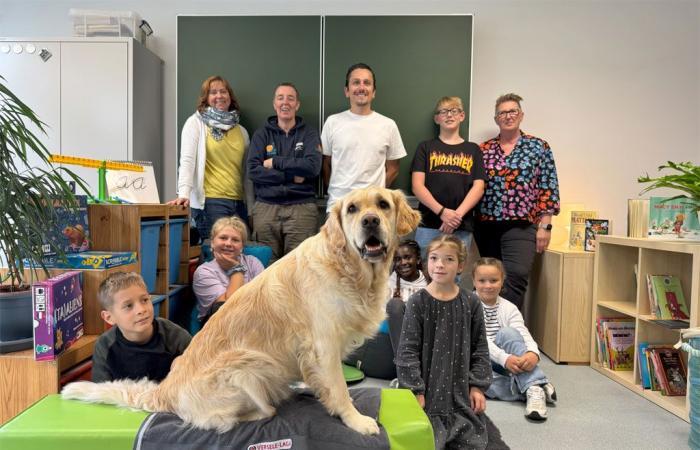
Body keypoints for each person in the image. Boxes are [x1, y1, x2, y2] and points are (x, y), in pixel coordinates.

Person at [395, 234, 492, 450]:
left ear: (460, 266)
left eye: (449, 259)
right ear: (426, 261)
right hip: (427, 393)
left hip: (459, 394)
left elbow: (480, 348)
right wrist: (415, 390)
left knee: (473, 441)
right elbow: (407, 351)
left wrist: (477, 386)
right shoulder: (417, 302)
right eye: (434, 258)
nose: (440, 265)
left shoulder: (471, 302)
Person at [474, 93, 560, 310]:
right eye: (502, 112)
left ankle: (509, 330)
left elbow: (547, 187)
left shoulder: (538, 147)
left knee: (517, 276)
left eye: (513, 111)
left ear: (521, 115)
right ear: (496, 119)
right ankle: (489, 331)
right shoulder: (483, 150)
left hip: (522, 225)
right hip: (486, 225)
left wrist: (545, 226)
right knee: (490, 280)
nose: (508, 116)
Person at [472, 257, 557, 421]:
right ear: (474, 282)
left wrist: (533, 353)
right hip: (481, 363)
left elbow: (522, 333)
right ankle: (536, 385)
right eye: (482, 281)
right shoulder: (467, 304)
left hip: (510, 364)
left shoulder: (509, 307)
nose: (488, 285)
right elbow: (478, 341)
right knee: (476, 385)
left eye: (494, 280)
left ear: (502, 281)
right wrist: (505, 359)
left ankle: (533, 386)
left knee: (508, 333)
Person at [246, 82, 322, 263]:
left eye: (290, 98)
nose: (285, 102)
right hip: (266, 208)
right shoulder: (261, 134)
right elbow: (253, 171)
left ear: (297, 105)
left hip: (301, 208)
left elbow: (313, 167)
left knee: (300, 267)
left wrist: (275, 162)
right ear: (274, 104)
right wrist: (289, 175)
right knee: (265, 267)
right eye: (280, 98)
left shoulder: (309, 134)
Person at [169, 75, 250, 242]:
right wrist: (184, 193)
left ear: (230, 96)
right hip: (210, 202)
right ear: (206, 98)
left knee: (239, 256)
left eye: (223, 91)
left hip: (238, 203)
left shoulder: (242, 131)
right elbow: (187, 161)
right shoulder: (196, 123)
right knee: (217, 256)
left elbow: (247, 173)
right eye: (213, 92)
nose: (219, 96)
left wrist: (251, 206)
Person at [321, 62, 406, 211]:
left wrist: (374, 193)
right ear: (347, 91)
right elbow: (326, 164)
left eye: (367, 83)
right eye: (356, 83)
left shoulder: (388, 125)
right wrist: (338, 191)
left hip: (374, 211)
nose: (361, 87)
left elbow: (393, 168)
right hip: (339, 208)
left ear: (373, 92)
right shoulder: (332, 122)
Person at [411, 96, 486, 255]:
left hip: (461, 225)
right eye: (443, 112)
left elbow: (479, 188)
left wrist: (456, 217)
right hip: (429, 224)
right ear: (436, 119)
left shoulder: (473, 150)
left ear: (462, 116)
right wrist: (443, 212)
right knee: (425, 275)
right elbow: (417, 186)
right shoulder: (425, 147)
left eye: (454, 110)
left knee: (454, 277)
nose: (449, 115)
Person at [92, 272, 192, 383]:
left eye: (144, 300)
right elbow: (101, 393)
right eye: (128, 306)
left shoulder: (175, 337)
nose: (141, 310)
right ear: (109, 317)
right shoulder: (104, 346)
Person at [192, 216, 264, 325]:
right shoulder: (204, 271)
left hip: (253, 322)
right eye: (223, 238)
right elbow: (228, 311)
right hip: (218, 327)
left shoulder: (253, 263)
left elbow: (264, 299)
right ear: (212, 242)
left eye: (235, 240)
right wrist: (236, 269)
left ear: (242, 246)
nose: (228, 244)